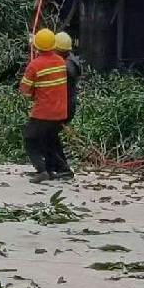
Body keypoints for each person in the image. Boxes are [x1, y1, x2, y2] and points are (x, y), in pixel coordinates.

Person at [19, 28, 68, 183]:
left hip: (43, 112)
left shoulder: (34, 66)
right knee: (49, 139)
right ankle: (58, 169)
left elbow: (25, 90)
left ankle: (41, 170)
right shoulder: (61, 62)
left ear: (37, 46)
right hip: (60, 111)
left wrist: (33, 91)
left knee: (30, 139)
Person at [47, 31, 82, 180]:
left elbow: (63, 71)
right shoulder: (65, 60)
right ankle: (51, 167)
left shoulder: (68, 64)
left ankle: (63, 168)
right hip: (60, 107)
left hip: (64, 109)